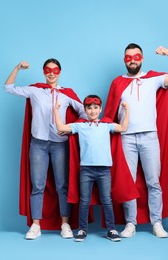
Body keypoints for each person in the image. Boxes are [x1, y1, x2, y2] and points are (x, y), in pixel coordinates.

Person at [104, 43, 168, 238]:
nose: (132, 60)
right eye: (128, 57)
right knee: (128, 182)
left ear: (142, 58)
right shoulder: (117, 82)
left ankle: (156, 222)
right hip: (126, 137)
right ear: (124, 60)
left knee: (153, 182)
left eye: (136, 56)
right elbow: (109, 112)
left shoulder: (153, 79)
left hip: (150, 136)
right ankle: (130, 223)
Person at [4, 58, 86, 240]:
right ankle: (36, 225)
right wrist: (17, 67)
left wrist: (69, 128)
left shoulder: (67, 94)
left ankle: (65, 224)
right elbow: (8, 88)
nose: (51, 73)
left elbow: (84, 112)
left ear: (60, 72)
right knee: (37, 185)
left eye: (55, 70)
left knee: (62, 185)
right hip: (38, 144)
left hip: (60, 145)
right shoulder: (35, 90)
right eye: (48, 70)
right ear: (43, 72)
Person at [54, 95, 129, 242]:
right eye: (89, 108)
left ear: (100, 109)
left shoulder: (106, 125)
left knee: (107, 200)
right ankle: (82, 230)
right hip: (86, 170)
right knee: (84, 200)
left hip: (104, 170)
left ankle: (111, 229)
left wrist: (127, 111)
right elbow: (61, 127)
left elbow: (123, 128)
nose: (93, 111)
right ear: (85, 110)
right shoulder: (80, 126)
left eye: (95, 108)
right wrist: (56, 111)